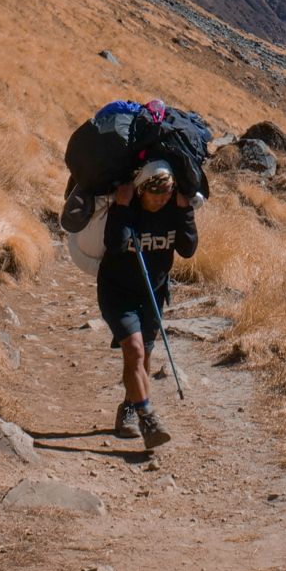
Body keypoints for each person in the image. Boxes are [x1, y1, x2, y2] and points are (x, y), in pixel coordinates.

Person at [99, 157, 196, 448]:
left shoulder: (174, 209)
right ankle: (147, 417)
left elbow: (188, 249)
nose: (161, 199)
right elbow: (115, 244)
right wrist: (122, 206)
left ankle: (129, 407)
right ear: (142, 190)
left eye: (166, 194)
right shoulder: (127, 207)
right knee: (135, 350)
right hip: (117, 293)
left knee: (144, 356)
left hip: (153, 294)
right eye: (156, 195)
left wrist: (184, 210)